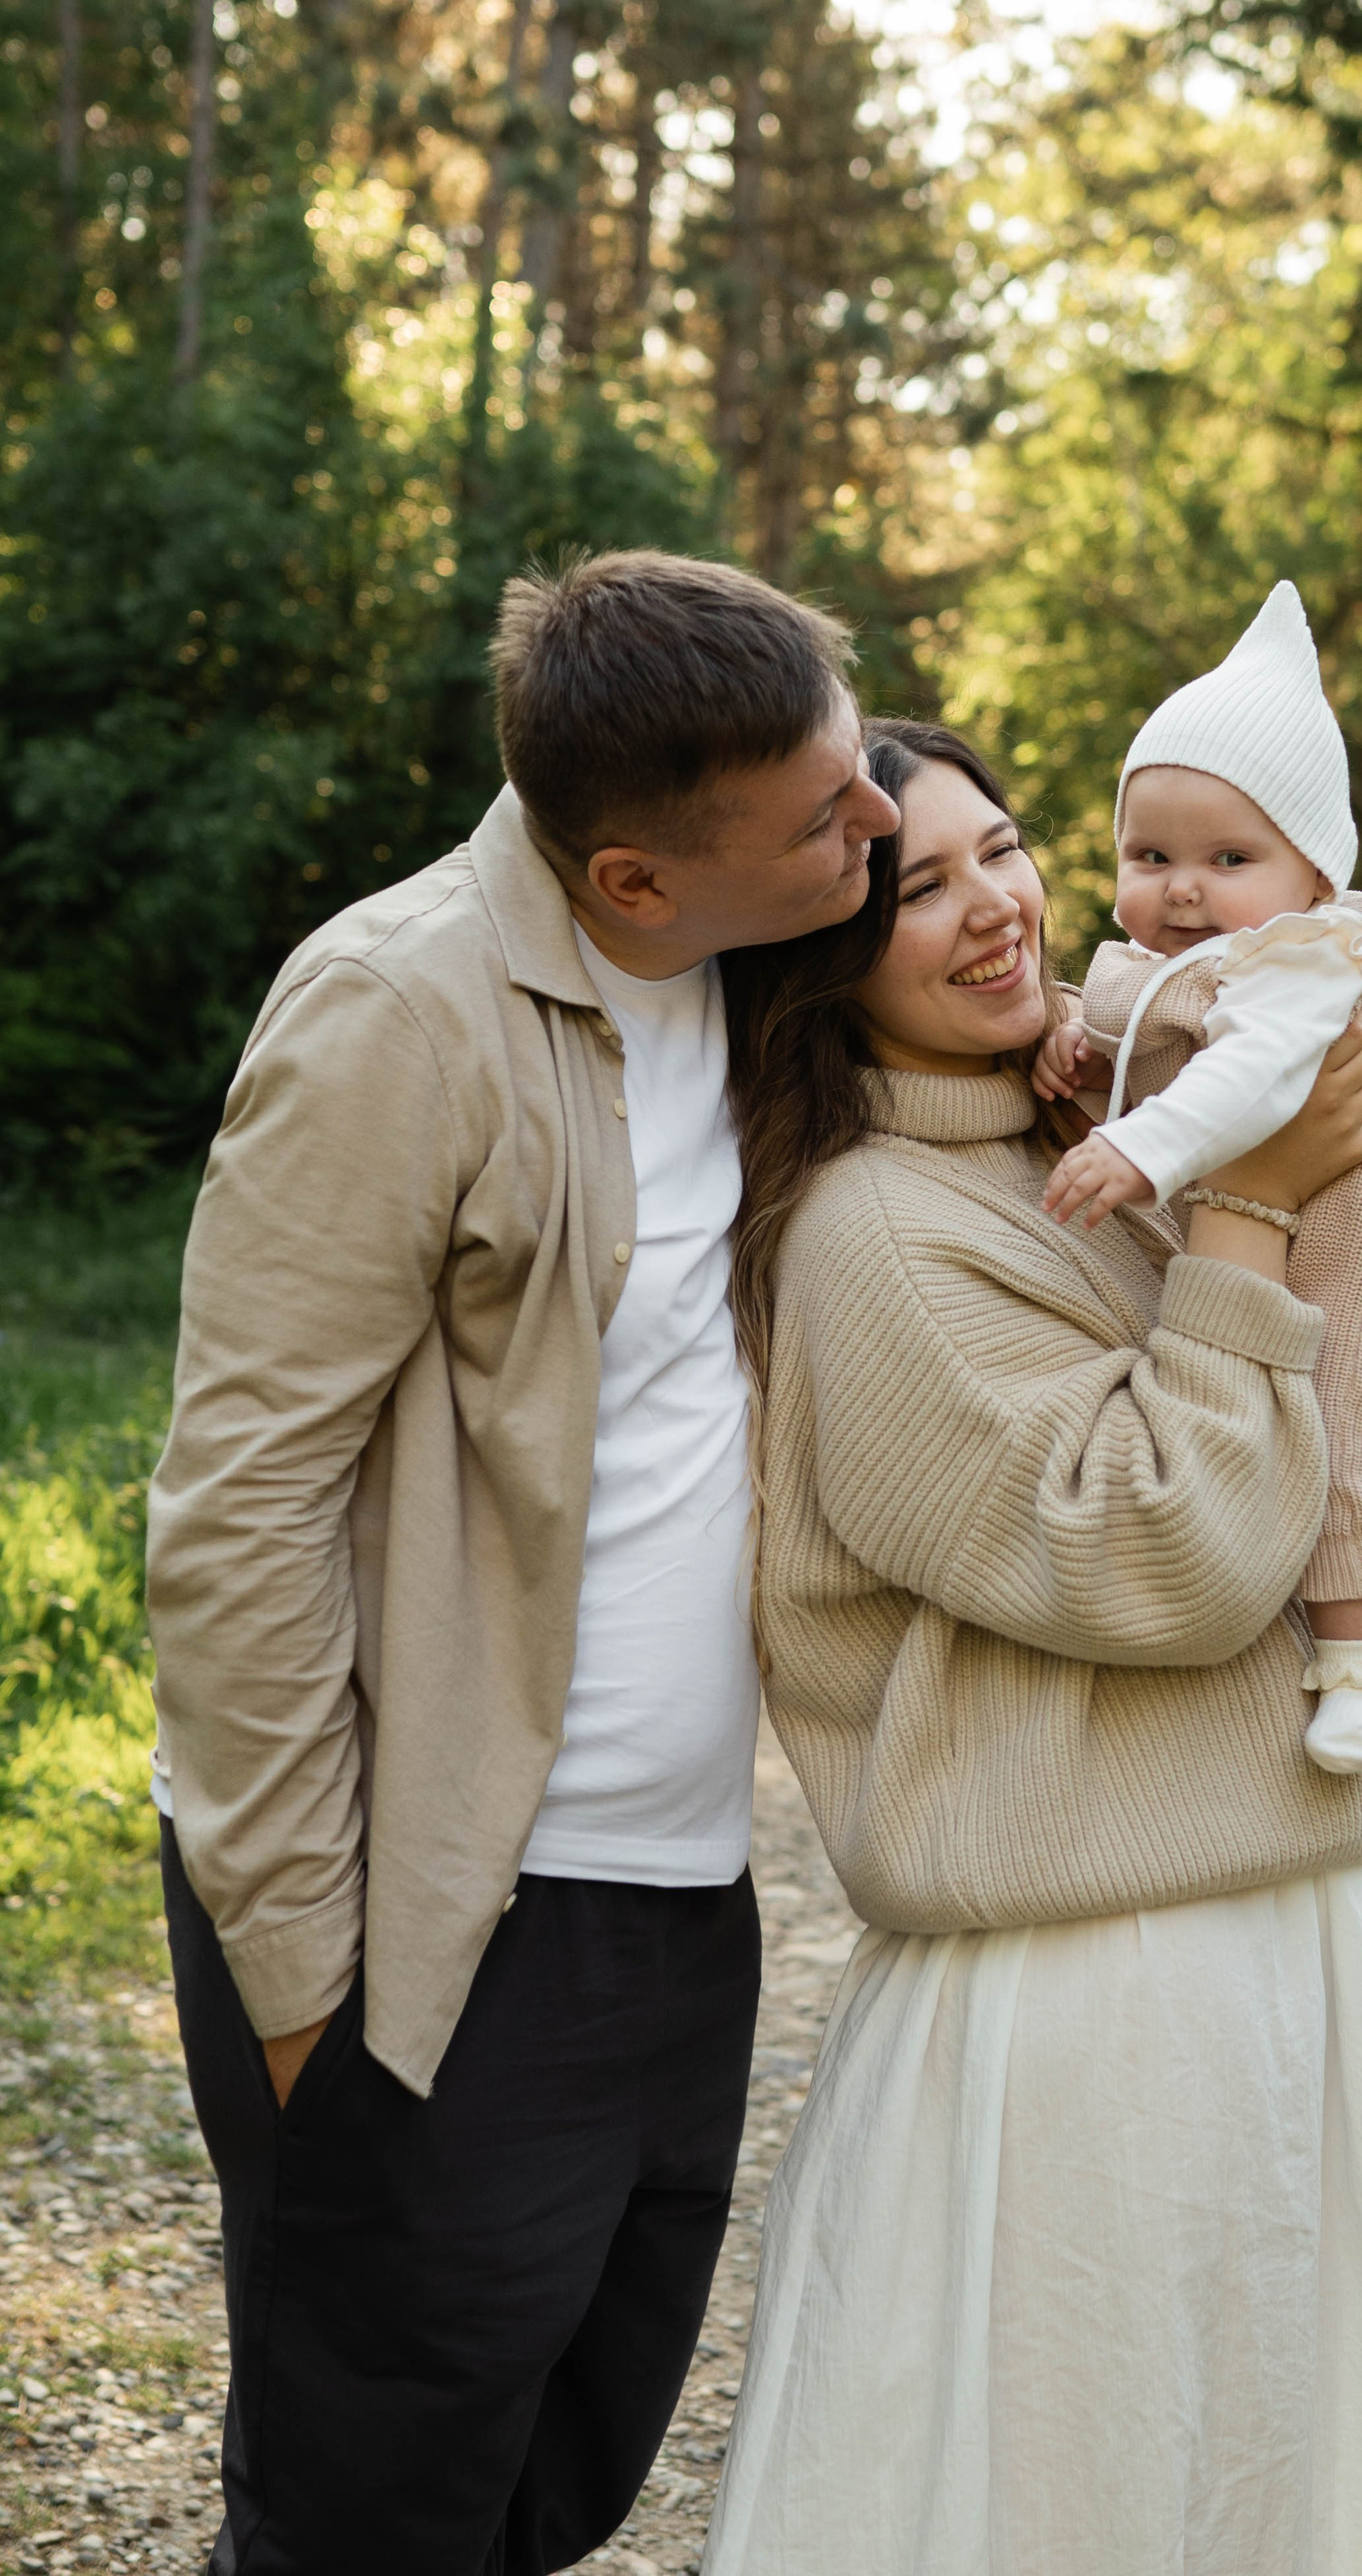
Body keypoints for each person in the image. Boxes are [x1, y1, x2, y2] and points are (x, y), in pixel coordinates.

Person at [144, 550, 899, 2576]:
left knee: (556, 2478)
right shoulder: (400, 1011)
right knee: (369, 2513)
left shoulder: (763, 953)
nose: (878, 818)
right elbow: (239, 1507)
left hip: (679, 1903)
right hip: (439, 1915)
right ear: (634, 877)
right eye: (825, 810)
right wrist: (306, 1984)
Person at [702, 718, 1362, 2575]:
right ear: (820, 954)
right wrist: (1254, 1200)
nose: (993, 906)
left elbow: (1358, 1380)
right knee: (1075, 2503)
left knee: (1275, 2498)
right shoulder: (876, 1239)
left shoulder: (1091, 1131)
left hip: (1277, 1937)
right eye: (916, 886)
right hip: (1091, 2000)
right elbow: (1172, 1553)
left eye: (1002, 847)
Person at [1036, 582, 1362, 1774]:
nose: (1182, 887)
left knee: (1336, 1452)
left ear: (1316, 879)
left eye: (1229, 858)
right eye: (1151, 856)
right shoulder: (1175, 958)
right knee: (1320, 1436)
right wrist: (1069, 1038)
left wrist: (1142, 1146)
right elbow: (1134, 1037)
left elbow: (1251, 1077)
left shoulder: (1304, 964)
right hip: (1308, 1240)